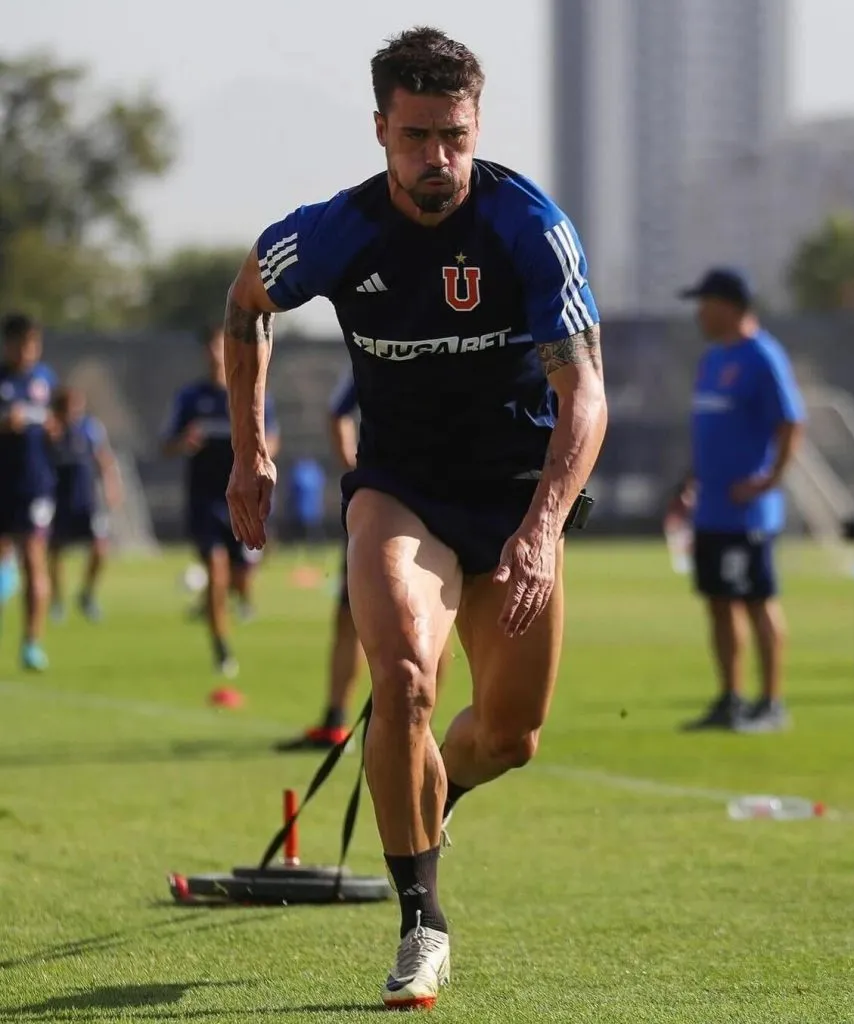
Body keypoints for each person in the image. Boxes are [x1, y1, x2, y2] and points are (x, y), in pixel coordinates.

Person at [221, 28, 607, 1008]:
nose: (439, 159)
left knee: (512, 733)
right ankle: (422, 919)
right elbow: (246, 302)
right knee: (400, 678)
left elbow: (587, 394)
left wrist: (544, 526)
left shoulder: (532, 227)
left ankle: (434, 802)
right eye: (419, 136)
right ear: (382, 129)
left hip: (519, 496)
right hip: (402, 489)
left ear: (477, 127)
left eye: (456, 137)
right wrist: (250, 446)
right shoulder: (337, 231)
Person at [275, 369, 452, 753]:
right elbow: (336, 412)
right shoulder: (374, 343)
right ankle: (336, 720)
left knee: (437, 623)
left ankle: (420, 727)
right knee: (350, 614)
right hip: (383, 507)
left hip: (446, 503)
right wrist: (359, 473)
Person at [672, 268, 805, 733]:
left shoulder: (762, 356)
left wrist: (768, 481)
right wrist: (690, 481)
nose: (699, 313)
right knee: (719, 602)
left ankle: (771, 703)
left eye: (704, 302)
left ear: (729, 304)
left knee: (757, 600)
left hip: (747, 512)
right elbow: (710, 431)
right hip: (711, 509)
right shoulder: (712, 359)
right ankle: (730, 698)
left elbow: (791, 422)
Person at [163, 324, 280, 677]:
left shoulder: (252, 392)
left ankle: (233, 601)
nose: (218, 353)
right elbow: (166, 445)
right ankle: (221, 648)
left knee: (242, 575)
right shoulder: (190, 398)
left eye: (223, 346)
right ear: (205, 352)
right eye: (212, 347)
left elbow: (271, 440)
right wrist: (185, 441)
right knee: (215, 573)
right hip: (205, 501)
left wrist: (258, 456)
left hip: (243, 500)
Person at [0, 313, 57, 671]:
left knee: (35, 557)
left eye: (33, 345)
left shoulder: (46, 380)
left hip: (36, 485)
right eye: (21, 344)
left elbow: (58, 424)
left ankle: (32, 643)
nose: (27, 351)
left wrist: (53, 427)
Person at [47, 386, 123, 622]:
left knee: (100, 547)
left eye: (78, 405)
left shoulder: (90, 428)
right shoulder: (51, 430)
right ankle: (58, 600)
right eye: (70, 406)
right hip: (58, 499)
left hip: (87, 500)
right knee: (55, 550)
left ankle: (87, 594)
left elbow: (104, 459)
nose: (74, 411)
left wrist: (112, 486)